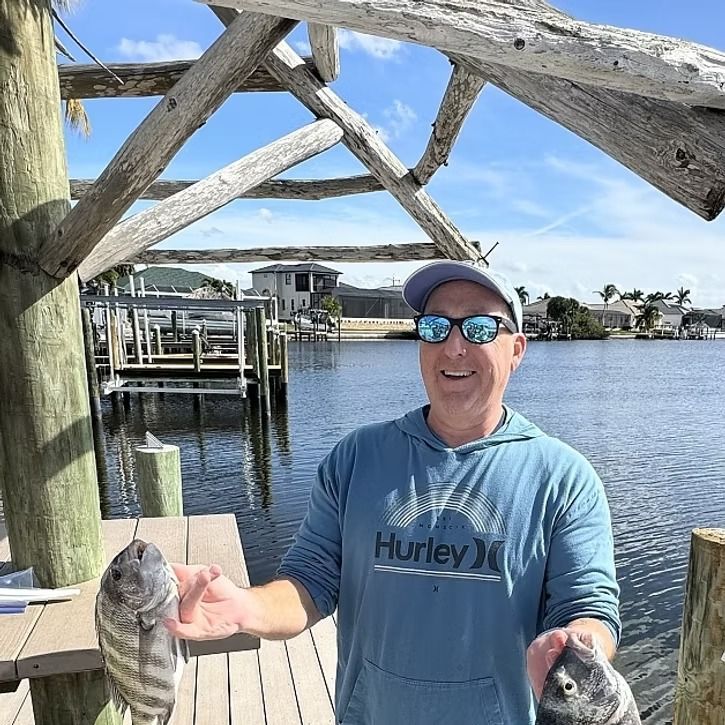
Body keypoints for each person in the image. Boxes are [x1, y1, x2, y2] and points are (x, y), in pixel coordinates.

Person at [165, 260, 621, 724]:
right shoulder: (357, 457)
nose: (455, 347)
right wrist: (246, 606)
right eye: (436, 326)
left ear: (517, 350)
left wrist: (576, 645)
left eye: (481, 328)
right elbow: (309, 583)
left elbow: (589, 607)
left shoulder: (563, 476)